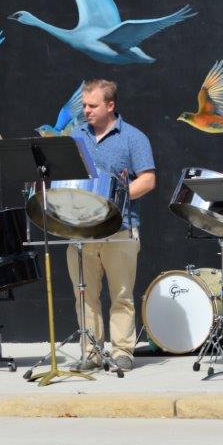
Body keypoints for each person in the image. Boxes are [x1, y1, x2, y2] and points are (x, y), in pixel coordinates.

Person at [66, 79, 155, 372]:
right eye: (84, 105)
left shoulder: (134, 138)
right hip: (81, 229)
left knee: (121, 294)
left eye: (93, 105)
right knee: (85, 294)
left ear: (110, 106)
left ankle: (122, 352)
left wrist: (116, 196)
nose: (86, 110)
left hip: (120, 228)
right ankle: (91, 352)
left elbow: (148, 179)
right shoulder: (75, 136)